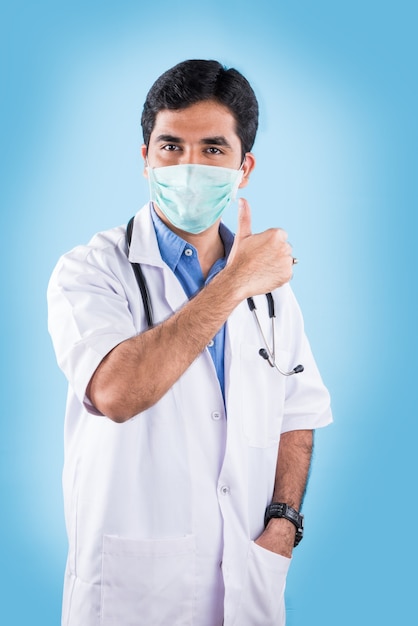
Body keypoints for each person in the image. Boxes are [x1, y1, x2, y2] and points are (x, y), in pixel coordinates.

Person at [47, 59, 332, 626]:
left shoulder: (270, 290)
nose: (189, 166)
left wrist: (283, 522)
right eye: (171, 146)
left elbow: (298, 413)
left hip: (247, 587)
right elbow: (117, 392)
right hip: (133, 593)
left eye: (213, 150)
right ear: (145, 157)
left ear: (243, 167)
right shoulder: (90, 271)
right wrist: (232, 283)